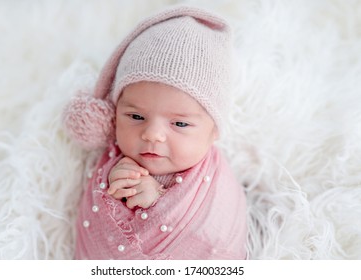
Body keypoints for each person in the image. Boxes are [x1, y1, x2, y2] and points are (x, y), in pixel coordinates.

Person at [63, 5, 247, 259]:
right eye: (136, 117)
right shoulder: (114, 160)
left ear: (213, 130)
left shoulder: (213, 183)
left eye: (180, 124)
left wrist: (158, 198)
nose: (152, 134)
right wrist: (115, 187)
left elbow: (215, 232)